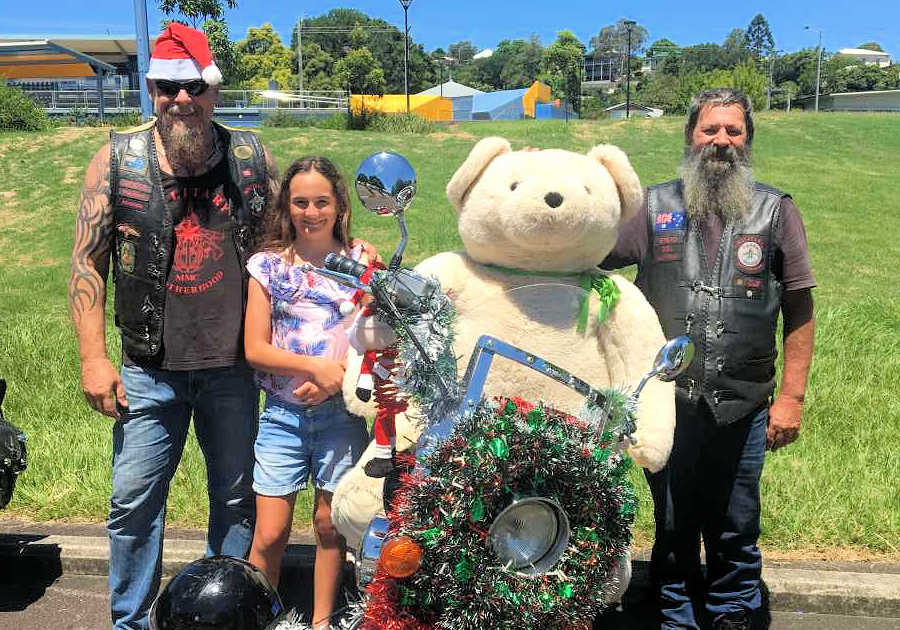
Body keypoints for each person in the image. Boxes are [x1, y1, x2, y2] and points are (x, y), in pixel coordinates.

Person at [68, 23, 279, 630]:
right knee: (133, 504)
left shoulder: (251, 159)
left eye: (192, 87)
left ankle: (227, 617)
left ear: (212, 90)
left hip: (232, 369)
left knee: (236, 501)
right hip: (147, 368)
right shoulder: (116, 160)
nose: (180, 100)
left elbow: (278, 253)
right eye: (166, 88)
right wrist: (93, 357)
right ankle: (130, 621)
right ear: (152, 90)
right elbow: (88, 261)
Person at [601, 88, 815, 630]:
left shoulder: (776, 210)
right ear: (690, 136)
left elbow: (800, 306)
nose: (721, 141)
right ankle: (675, 614)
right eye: (710, 130)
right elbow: (587, 252)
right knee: (672, 523)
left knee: (736, 522)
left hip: (744, 405)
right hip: (667, 403)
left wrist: (789, 398)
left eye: (733, 131)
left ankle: (733, 611)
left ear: (747, 141)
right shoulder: (651, 208)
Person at [243, 157, 371, 629]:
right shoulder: (270, 266)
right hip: (282, 416)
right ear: (287, 206)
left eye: (322, 202)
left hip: (342, 417)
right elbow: (255, 348)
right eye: (300, 202)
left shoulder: (361, 262)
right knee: (271, 532)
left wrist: (338, 375)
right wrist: (314, 366)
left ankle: (321, 621)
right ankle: (260, 616)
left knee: (329, 525)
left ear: (339, 206)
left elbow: (374, 332)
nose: (311, 212)